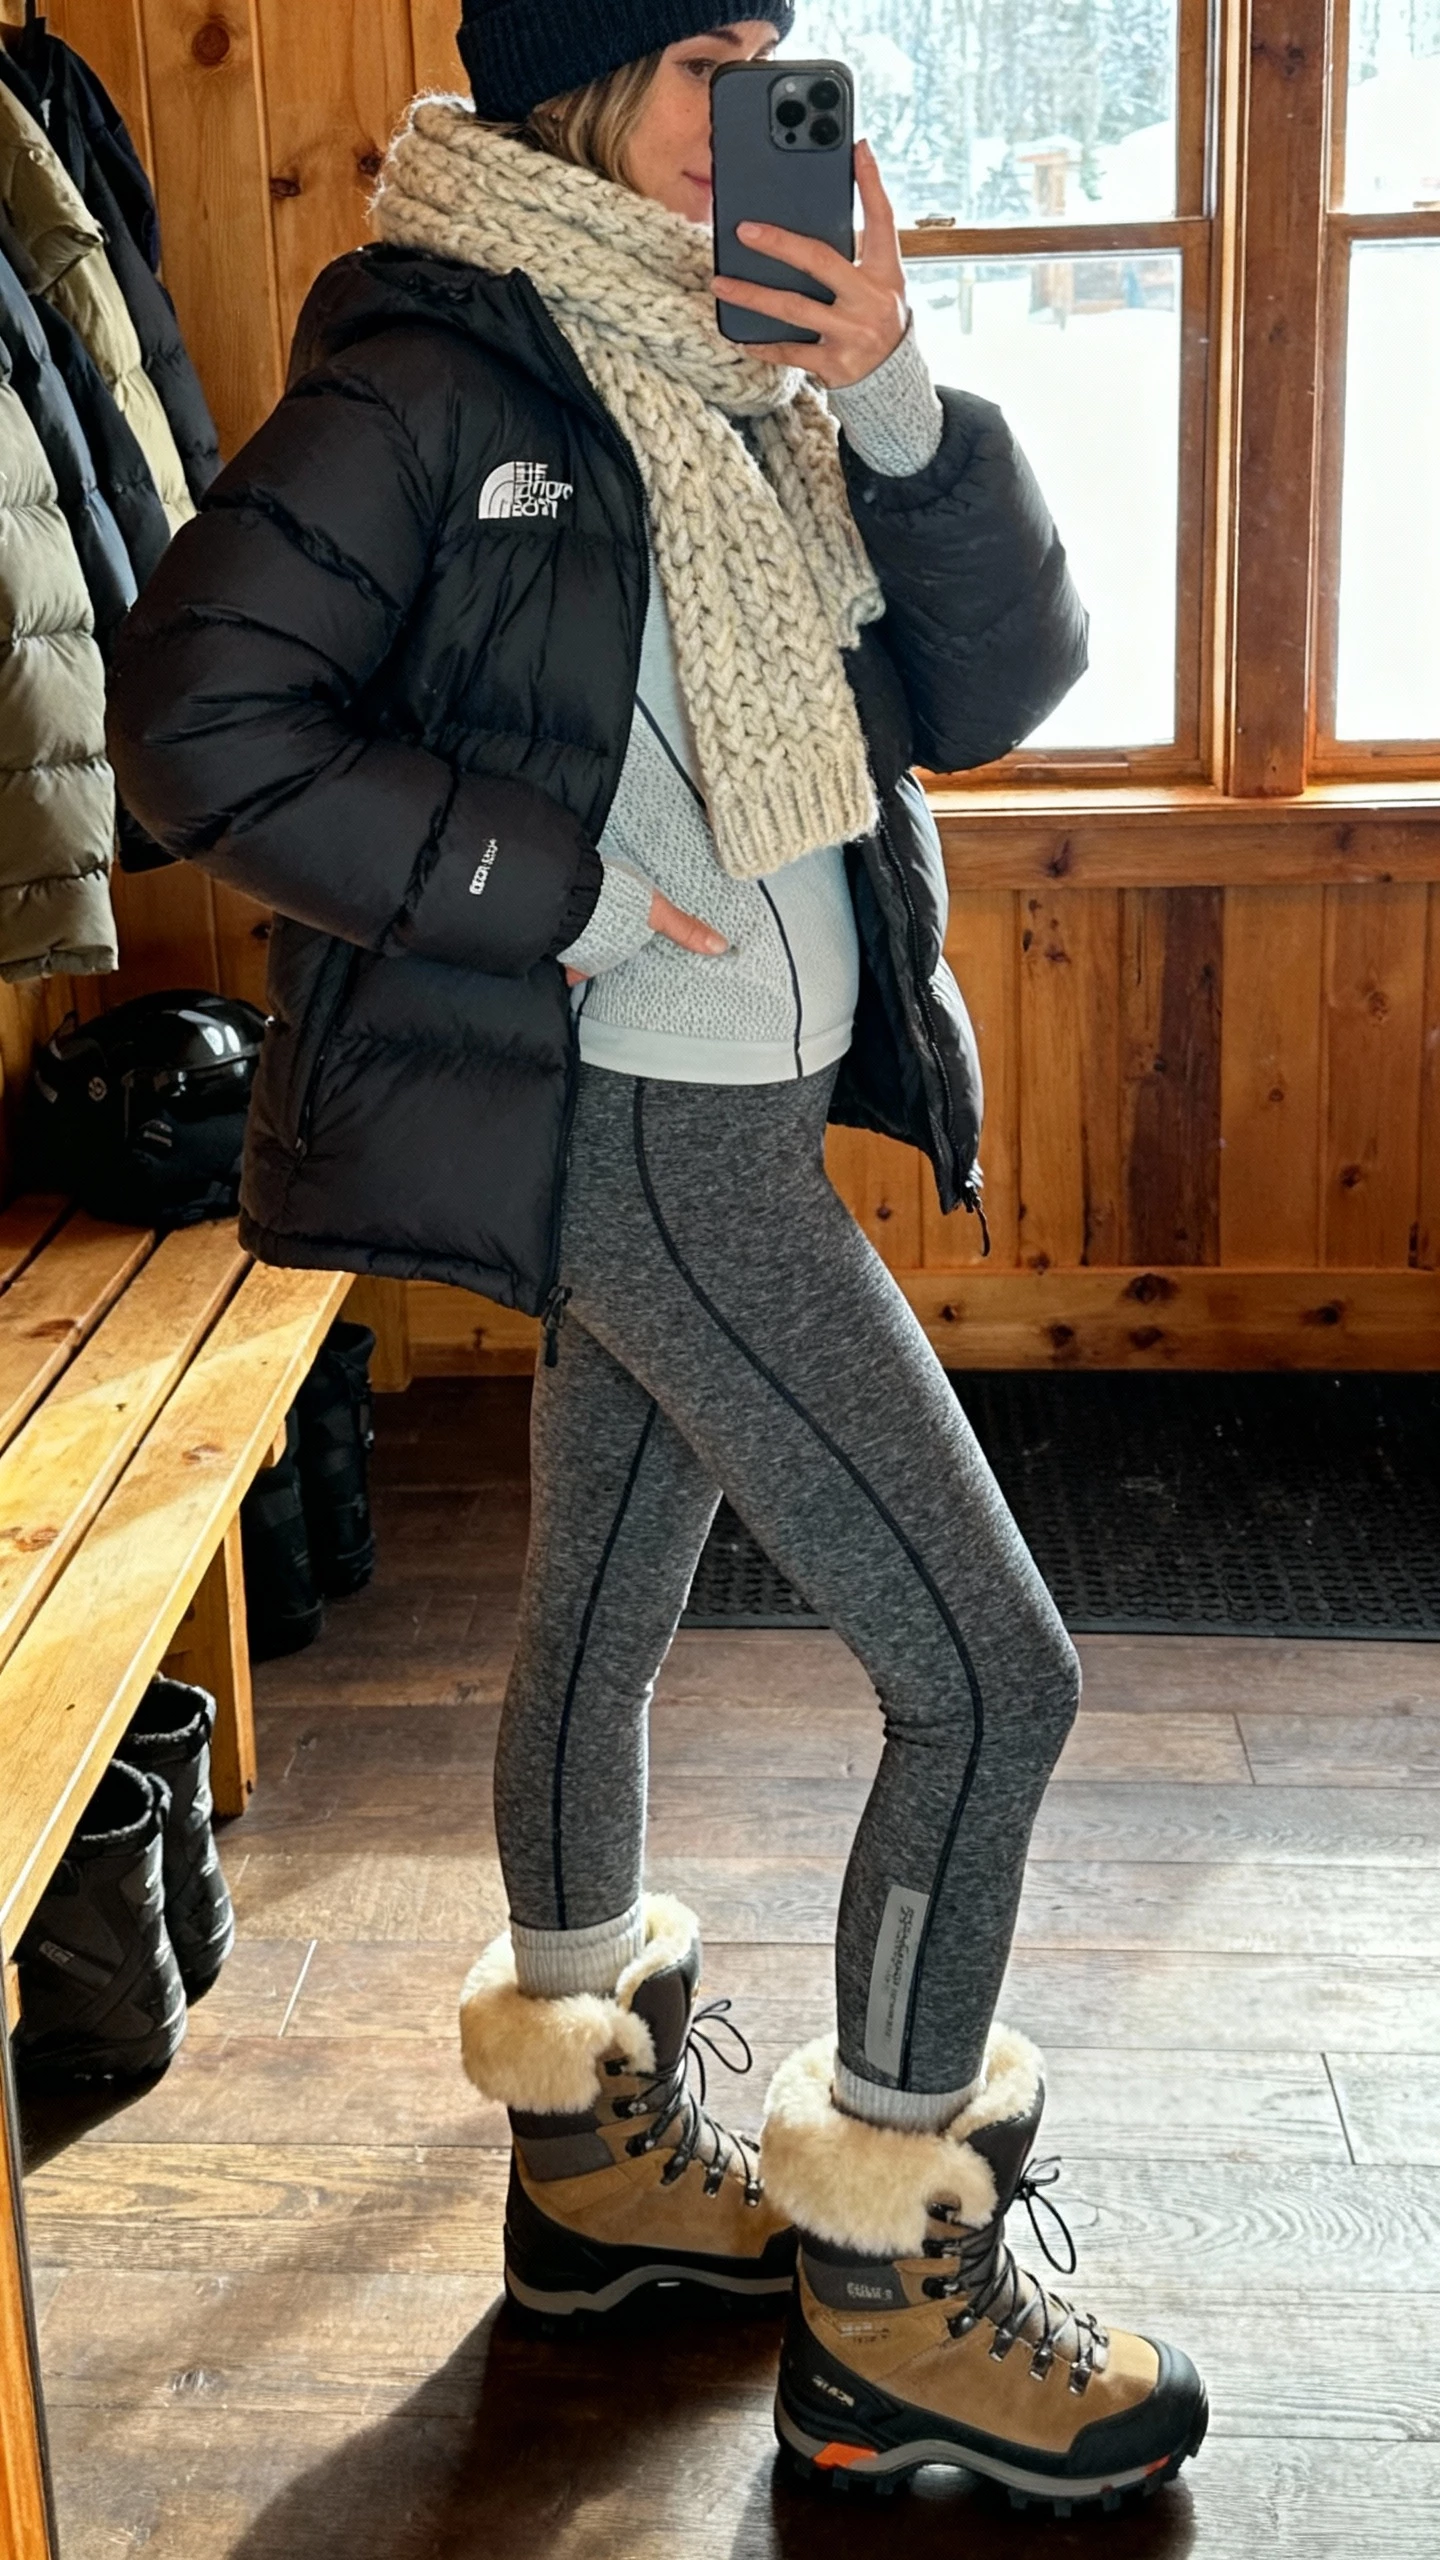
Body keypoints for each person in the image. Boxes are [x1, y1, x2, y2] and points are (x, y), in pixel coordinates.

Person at [106, 1, 1207, 2514]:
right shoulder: (435, 365)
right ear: (598, 84)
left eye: (790, 52)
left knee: (595, 1605)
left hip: (740, 1102)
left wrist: (901, 386)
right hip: (648, 1123)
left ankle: (595, 2175)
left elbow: (991, 687)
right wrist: (559, 897)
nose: (783, 108)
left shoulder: (741, 353)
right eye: (724, 53)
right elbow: (197, 712)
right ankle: (895, 2304)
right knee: (992, 1680)